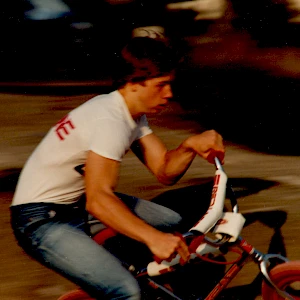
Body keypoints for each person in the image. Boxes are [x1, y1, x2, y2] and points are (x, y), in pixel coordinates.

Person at [10, 36, 225, 299]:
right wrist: (152, 238)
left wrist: (190, 145)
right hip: (40, 219)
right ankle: (121, 276)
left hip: (75, 204)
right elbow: (99, 200)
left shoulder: (131, 114)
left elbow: (164, 171)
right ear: (133, 83)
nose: (169, 94)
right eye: (162, 85)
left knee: (171, 223)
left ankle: (133, 271)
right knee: (126, 292)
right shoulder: (108, 120)